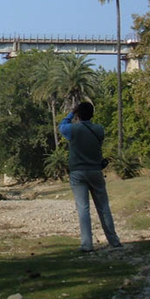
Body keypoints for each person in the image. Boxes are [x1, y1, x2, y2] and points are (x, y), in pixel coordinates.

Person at [59, 101, 122, 252]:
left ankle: (87, 244)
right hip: (95, 170)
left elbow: (61, 126)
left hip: (77, 172)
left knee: (83, 208)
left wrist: (71, 113)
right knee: (103, 207)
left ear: (78, 114)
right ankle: (113, 241)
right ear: (92, 114)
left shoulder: (72, 129)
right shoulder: (99, 129)